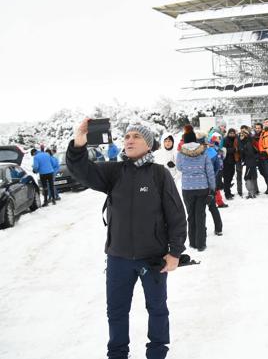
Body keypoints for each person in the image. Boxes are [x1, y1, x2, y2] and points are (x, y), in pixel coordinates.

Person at [67, 120, 187, 359]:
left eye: (136, 136)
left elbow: (176, 215)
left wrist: (175, 253)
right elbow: (82, 171)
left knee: (157, 309)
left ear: (149, 144)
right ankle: (117, 354)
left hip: (152, 257)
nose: (129, 140)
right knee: (117, 311)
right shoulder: (115, 172)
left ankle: (157, 353)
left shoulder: (159, 174)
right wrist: (78, 143)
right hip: (118, 257)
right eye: (127, 136)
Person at [177, 126, 217, 248]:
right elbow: (210, 172)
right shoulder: (203, 152)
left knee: (190, 215)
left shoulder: (181, 153)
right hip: (202, 188)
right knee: (200, 215)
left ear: (184, 141)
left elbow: (179, 168)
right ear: (195, 140)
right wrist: (212, 188)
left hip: (187, 189)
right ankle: (201, 244)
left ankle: (193, 243)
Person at [239, 128, 258, 198]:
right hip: (249, 163)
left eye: (242, 135)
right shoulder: (245, 142)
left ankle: (251, 193)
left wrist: (243, 150)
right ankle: (252, 192)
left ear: (246, 135)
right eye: (240, 135)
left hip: (250, 163)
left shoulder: (247, 143)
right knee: (250, 177)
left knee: (247, 177)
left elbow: (250, 153)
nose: (241, 136)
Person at [253, 122, 268, 194]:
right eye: (256, 128)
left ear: (261, 128)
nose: (257, 129)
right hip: (258, 158)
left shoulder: (264, 135)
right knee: (262, 173)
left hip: (265, 157)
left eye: (259, 128)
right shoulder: (254, 136)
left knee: (267, 173)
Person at [222, 128, 239, 200]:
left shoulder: (235, 139)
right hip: (226, 162)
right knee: (227, 179)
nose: (232, 134)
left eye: (233, 133)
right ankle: (227, 194)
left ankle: (229, 192)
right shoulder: (225, 139)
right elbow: (224, 150)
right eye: (230, 133)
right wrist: (234, 150)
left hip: (232, 162)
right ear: (228, 133)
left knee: (230, 178)